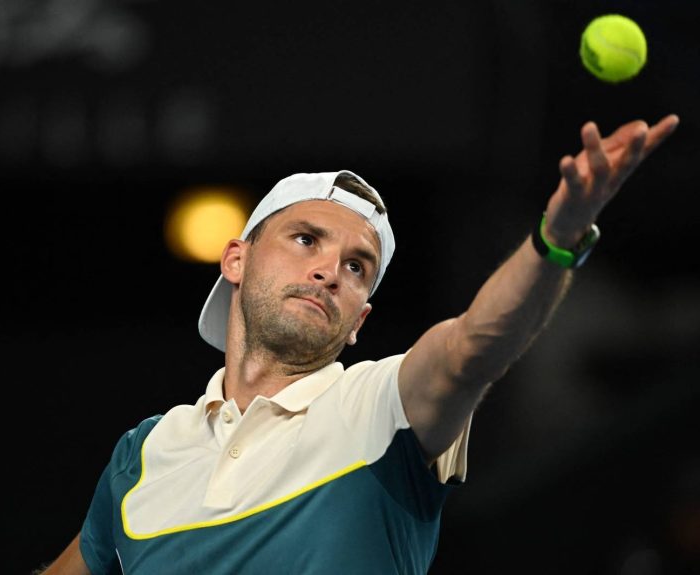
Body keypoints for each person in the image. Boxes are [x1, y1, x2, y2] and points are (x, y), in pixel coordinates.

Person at [36, 114, 679, 575]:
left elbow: (474, 345)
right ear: (237, 259)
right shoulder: (145, 451)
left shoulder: (380, 405)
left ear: (359, 321)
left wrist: (557, 238)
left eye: (356, 267)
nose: (329, 271)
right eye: (305, 239)